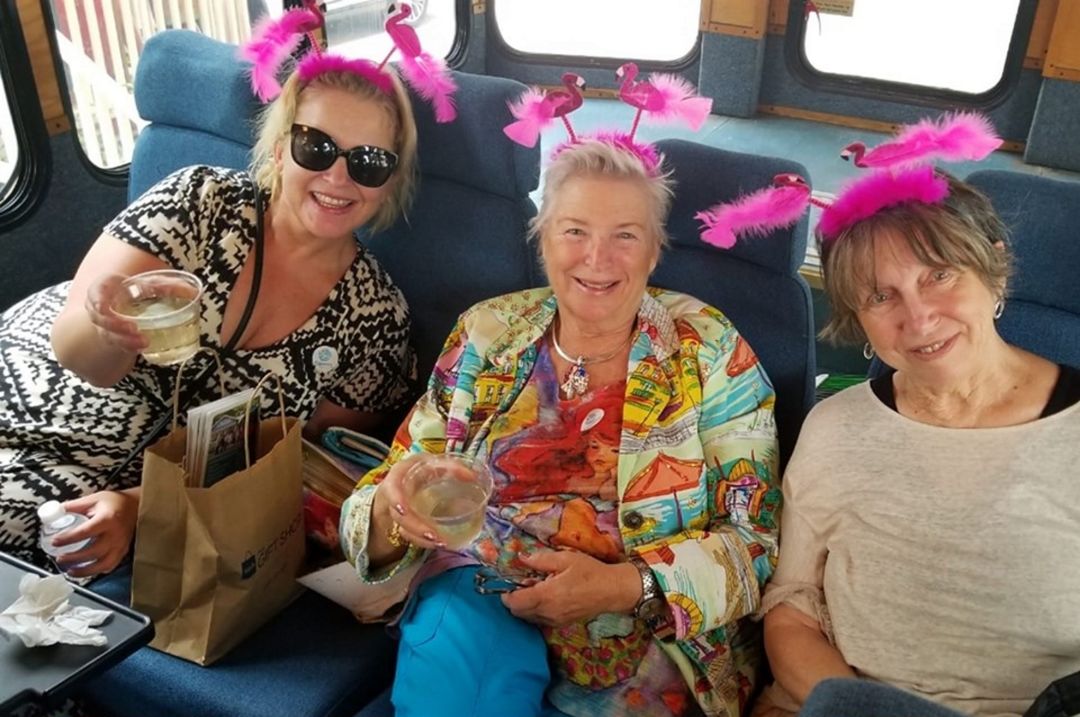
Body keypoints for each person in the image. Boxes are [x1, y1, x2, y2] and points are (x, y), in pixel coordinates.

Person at [340, 136, 781, 717]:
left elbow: (755, 546)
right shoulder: (486, 333)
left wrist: (625, 586)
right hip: (480, 601)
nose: (597, 258)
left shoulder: (711, 350)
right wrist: (390, 514)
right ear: (542, 239)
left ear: (654, 251)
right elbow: (379, 494)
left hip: (645, 646)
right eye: (574, 230)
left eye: (625, 235)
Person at [0, 17, 422, 576]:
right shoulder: (199, 200)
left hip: (117, 487)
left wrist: (142, 505)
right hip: (37, 398)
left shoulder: (376, 317)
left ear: (389, 182)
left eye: (369, 162)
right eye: (315, 146)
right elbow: (79, 354)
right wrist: (109, 330)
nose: (339, 177)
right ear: (279, 150)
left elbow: (298, 465)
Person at [756, 117, 1080, 717]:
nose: (919, 317)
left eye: (939, 274)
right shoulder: (835, 428)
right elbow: (792, 603)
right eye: (882, 296)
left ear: (993, 267)